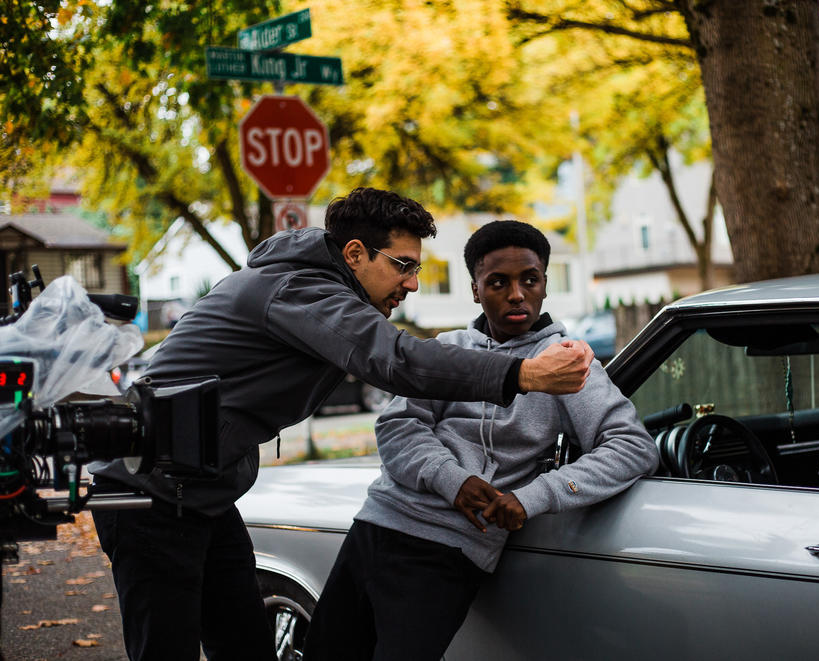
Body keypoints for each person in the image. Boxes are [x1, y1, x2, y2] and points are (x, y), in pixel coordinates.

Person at [88, 189, 594, 661]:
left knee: (246, 647)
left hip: (201, 494)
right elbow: (397, 361)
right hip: (146, 492)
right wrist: (520, 372)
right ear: (355, 254)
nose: (412, 283)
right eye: (402, 266)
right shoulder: (299, 290)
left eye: (416, 269)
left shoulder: (320, 290)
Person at [302, 219, 659, 661]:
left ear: (545, 285)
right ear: (475, 290)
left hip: (449, 549)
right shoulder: (449, 349)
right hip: (377, 525)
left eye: (530, 280)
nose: (516, 294)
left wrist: (534, 496)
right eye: (498, 282)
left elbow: (632, 446)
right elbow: (397, 426)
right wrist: (451, 478)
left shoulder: (567, 363)